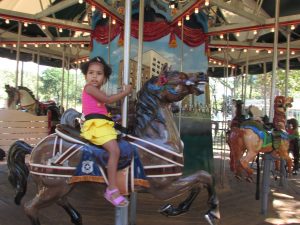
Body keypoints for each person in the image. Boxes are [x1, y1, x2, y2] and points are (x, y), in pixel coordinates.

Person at [80, 56, 132, 206]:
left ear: (104, 78)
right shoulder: (89, 88)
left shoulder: (96, 90)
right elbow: (108, 100)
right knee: (114, 151)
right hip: (96, 125)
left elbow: (102, 108)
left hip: (102, 123)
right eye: (91, 73)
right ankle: (111, 189)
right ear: (86, 75)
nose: (94, 76)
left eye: (99, 73)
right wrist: (126, 92)